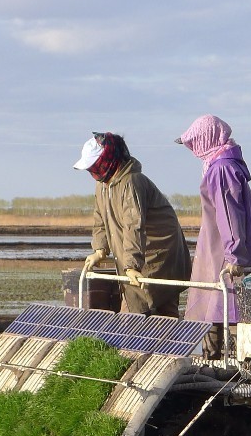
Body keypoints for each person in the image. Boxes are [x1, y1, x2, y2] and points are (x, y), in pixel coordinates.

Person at [175, 114, 251, 357]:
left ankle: (232, 370)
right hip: (226, 249)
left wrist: (234, 256)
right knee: (222, 309)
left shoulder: (221, 168)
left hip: (224, 253)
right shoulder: (226, 164)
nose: (194, 149)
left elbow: (229, 214)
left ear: (207, 140)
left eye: (195, 142)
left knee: (229, 308)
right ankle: (219, 363)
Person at [74, 132, 190, 317]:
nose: (93, 172)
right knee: (135, 305)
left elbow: (133, 224)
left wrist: (131, 266)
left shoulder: (131, 182)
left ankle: (161, 344)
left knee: (158, 310)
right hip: (135, 254)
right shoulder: (103, 185)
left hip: (158, 253)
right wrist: (100, 249)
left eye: (95, 166)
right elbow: (100, 219)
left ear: (108, 159)